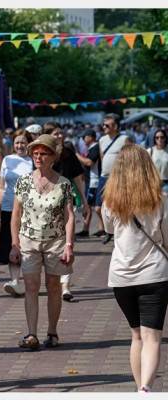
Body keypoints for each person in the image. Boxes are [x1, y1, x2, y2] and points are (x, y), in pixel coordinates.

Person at [102, 144, 168, 392]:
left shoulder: (110, 201)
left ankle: (139, 387)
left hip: (121, 276)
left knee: (136, 335)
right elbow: (166, 236)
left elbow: (109, 230)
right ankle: (145, 389)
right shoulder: (160, 200)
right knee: (152, 336)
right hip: (155, 273)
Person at [10, 134, 75, 350]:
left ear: (53, 157)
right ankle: (31, 334)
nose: (38, 157)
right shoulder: (24, 181)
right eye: (35, 153)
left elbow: (69, 217)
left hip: (55, 241)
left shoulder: (63, 184)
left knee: (54, 285)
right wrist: (14, 244)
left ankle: (52, 332)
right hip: (28, 240)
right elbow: (16, 215)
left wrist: (68, 245)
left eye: (43, 153)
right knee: (31, 286)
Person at [44, 122, 89, 302]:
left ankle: (66, 286)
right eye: (55, 133)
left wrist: (84, 201)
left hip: (69, 199)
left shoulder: (68, 152)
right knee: (51, 243)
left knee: (68, 242)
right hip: (47, 202)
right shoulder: (42, 153)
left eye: (61, 133)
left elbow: (78, 177)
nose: (60, 136)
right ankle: (53, 280)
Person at [0, 129, 33, 296]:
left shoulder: (32, 161)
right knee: (12, 244)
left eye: (23, 142)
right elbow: (2, 186)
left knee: (27, 245)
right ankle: (15, 280)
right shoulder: (7, 160)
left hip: (28, 209)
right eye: (17, 142)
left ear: (28, 144)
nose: (20, 145)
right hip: (9, 207)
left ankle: (29, 280)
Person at [97, 113, 132, 244]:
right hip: (104, 177)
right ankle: (108, 229)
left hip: (118, 178)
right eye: (103, 124)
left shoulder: (125, 139)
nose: (104, 127)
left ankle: (118, 230)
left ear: (116, 126)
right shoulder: (101, 140)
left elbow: (130, 158)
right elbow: (102, 158)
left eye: (107, 125)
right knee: (98, 207)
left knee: (117, 205)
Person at [75, 129, 103, 237]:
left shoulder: (95, 147)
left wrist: (76, 154)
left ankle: (99, 228)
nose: (83, 139)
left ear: (90, 137)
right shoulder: (92, 148)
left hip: (94, 181)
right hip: (90, 180)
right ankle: (88, 229)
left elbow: (89, 162)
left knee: (92, 206)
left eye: (84, 137)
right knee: (90, 206)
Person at [147, 129, 168, 194]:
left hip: (166, 184)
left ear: (165, 138)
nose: (159, 139)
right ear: (154, 139)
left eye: (162, 137)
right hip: (153, 183)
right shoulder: (150, 151)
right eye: (157, 137)